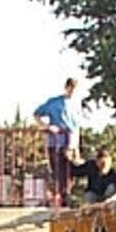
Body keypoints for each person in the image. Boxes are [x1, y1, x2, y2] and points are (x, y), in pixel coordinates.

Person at [33, 77, 79, 207]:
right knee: (57, 169)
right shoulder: (54, 102)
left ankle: (66, 197)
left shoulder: (76, 105)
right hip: (55, 141)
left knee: (69, 171)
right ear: (67, 87)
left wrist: (76, 147)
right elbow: (37, 114)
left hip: (69, 141)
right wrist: (47, 127)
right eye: (71, 89)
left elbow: (76, 127)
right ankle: (59, 196)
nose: (73, 92)